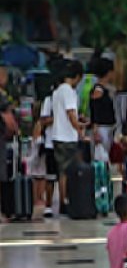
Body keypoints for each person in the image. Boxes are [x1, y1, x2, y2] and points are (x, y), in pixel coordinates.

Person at [50, 59, 88, 210]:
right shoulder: (69, 91)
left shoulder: (57, 91)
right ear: (77, 76)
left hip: (57, 135)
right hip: (67, 137)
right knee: (69, 170)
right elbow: (71, 114)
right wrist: (80, 130)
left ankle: (62, 200)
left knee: (62, 172)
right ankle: (66, 201)